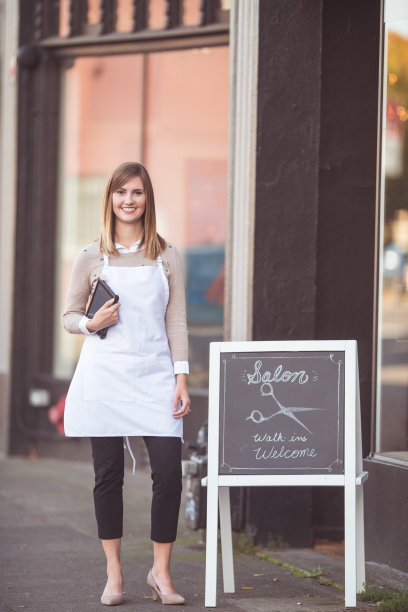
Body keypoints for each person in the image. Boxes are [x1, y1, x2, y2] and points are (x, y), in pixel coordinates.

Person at [62, 161, 191, 606]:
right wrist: (89, 322)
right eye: (121, 193)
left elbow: (176, 320)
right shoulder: (91, 255)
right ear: (110, 199)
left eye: (136, 193)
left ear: (147, 199)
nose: (129, 201)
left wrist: (182, 378)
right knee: (108, 475)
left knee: (169, 473)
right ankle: (114, 575)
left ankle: (161, 572)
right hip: (105, 376)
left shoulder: (168, 255)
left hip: (156, 377)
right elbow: (69, 317)